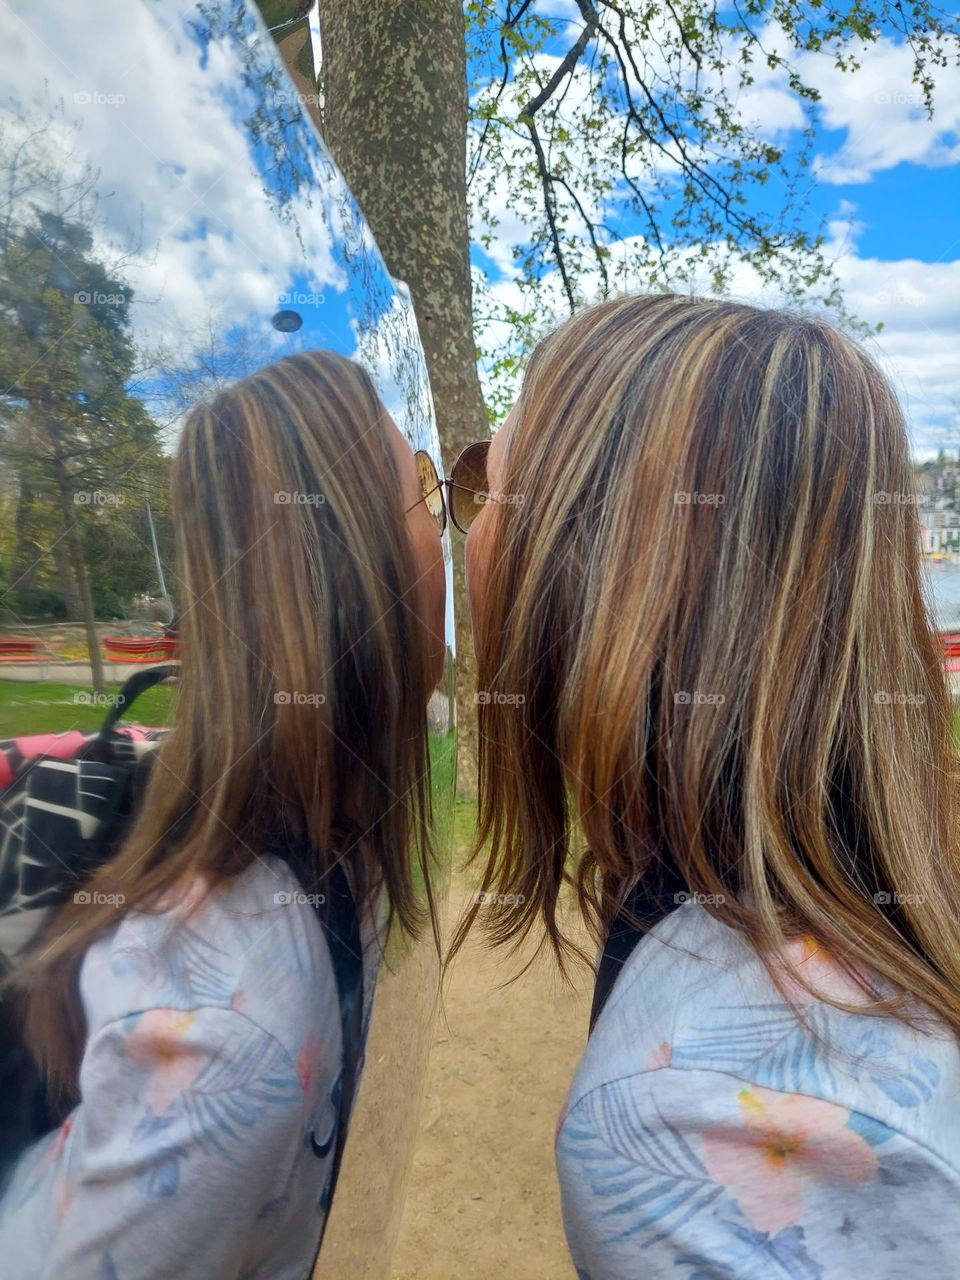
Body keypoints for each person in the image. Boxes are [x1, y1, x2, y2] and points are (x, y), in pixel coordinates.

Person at [457, 294, 960, 1278]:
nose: (466, 535)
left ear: (599, 568)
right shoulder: (865, 904)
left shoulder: (689, 1116)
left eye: (491, 493)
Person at [0, 350, 446, 1279]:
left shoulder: (331, 843)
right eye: (427, 500)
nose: (445, 537)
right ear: (347, 568)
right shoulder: (224, 1022)